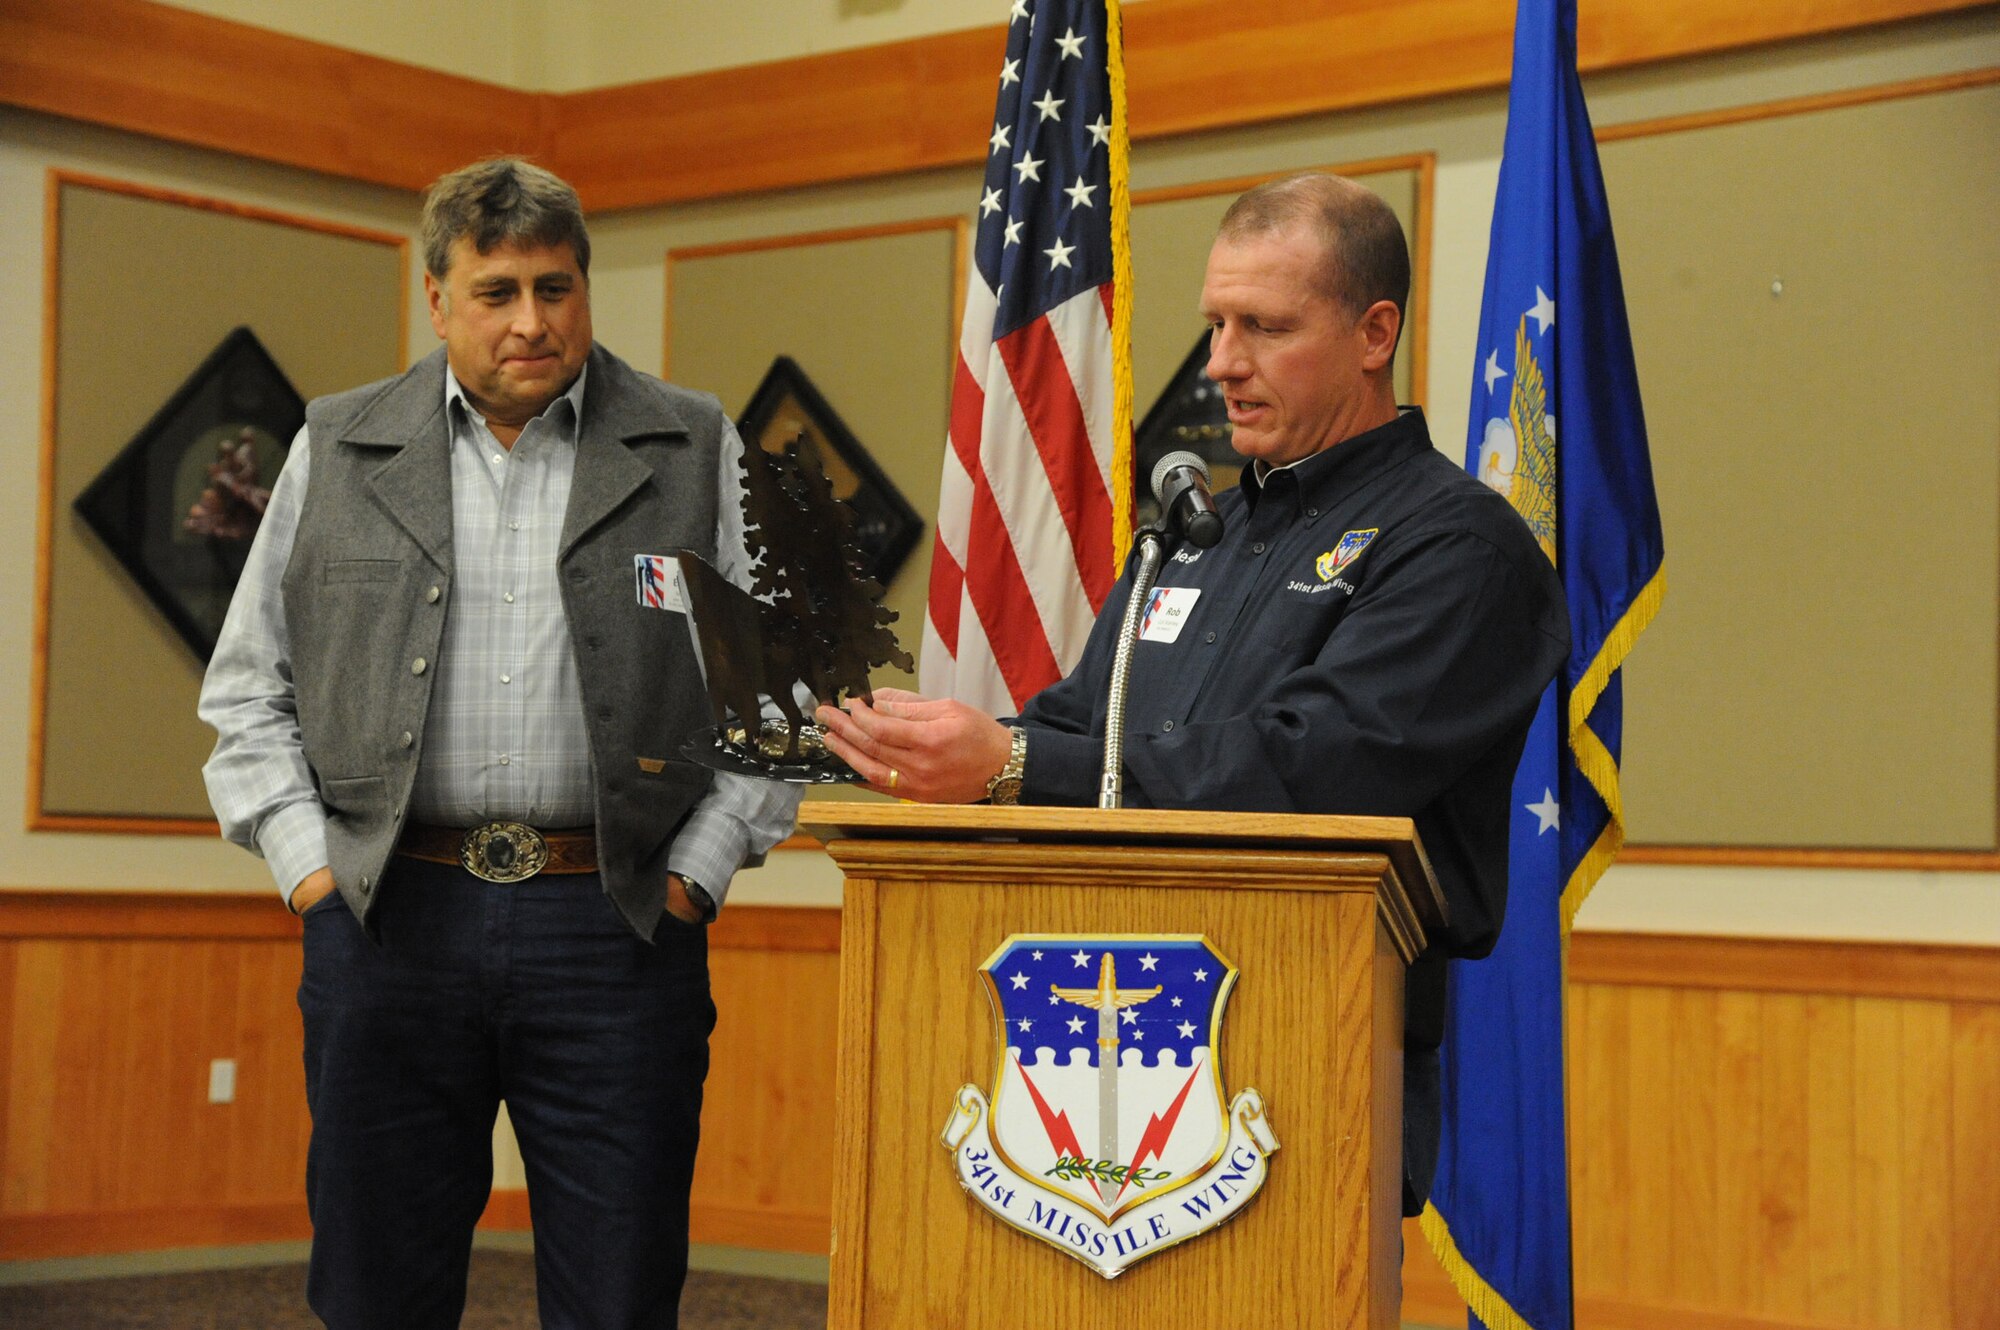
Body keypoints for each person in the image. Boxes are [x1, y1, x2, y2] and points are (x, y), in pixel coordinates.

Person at [816, 172, 1569, 1216]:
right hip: (1074, 1044)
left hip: (1304, 1044)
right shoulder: (1188, 533)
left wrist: (1022, 763)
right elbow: (1082, 727)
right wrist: (946, 746)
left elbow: (1315, 767)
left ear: (1373, 332)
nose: (1219, 363)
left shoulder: (1457, 548)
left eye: (1261, 326)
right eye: (1214, 324)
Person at [199, 157, 801, 1329]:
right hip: (387, 923)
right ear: (436, 299)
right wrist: (309, 874)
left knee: (620, 1292)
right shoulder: (338, 444)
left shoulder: (691, 444)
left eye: (556, 287)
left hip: (618, 928)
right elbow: (246, 690)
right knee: (376, 1287)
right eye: (496, 292)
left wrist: (697, 876)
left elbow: (768, 701)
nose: (532, 320)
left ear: (584, 288)